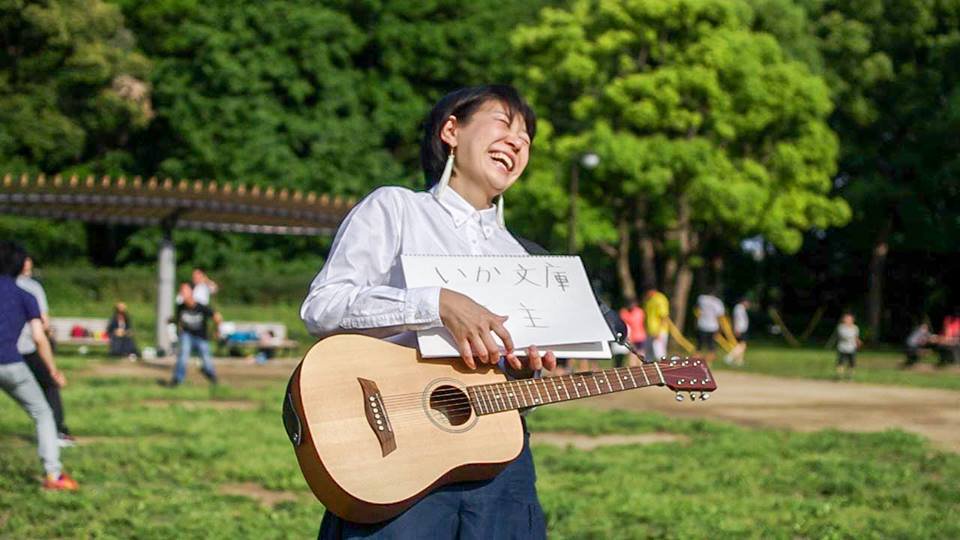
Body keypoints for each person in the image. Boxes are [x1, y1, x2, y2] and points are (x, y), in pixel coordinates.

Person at [301, 85, 553, 538]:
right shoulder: (395, 208)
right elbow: (323, 306)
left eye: (527, 139)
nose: (518, 142)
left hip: (499, 465)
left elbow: (508, 377)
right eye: (504, 124)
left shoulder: (521, 257)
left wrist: (525, 375)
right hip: (397, 457)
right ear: (451, 130)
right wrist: (434, 303)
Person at [0, 241, 78, 490]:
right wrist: (52, 370)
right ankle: (53, 476)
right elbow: (39, 336)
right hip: (11, 364)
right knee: (43, 413)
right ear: (21, 265)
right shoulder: (26, 295)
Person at [16, 254, 75, 446]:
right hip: (26, 348)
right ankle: (57, 431)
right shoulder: (32, 288)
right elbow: (42, 326)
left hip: (6, 348)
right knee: (49, 386)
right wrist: (53, 370)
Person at [169, 283, 222, 386]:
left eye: (185, 291)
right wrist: (178, 330)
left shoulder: (201, 307)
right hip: (187, 335)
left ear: (191, 292)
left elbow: (218, 317)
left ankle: (211, 375)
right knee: (183, 354)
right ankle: (177, 379)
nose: (183, 293)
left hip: (201, 336)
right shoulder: (180, 307)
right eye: (181, 291)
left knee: (206, 358)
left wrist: (217, 331)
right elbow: (179, 321)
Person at [696, 291, 725, 363]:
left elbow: (697, 309)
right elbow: (720, 316)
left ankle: (696, 359)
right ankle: (708, 361)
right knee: (711, 345)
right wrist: (720, 327)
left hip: (702, 324)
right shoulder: (718, 302)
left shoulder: (701, 298)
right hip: (713, 326)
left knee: (699, 344)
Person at [642, 286, 670, 362]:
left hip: (659, 331)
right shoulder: (648, 300)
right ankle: (649, 371)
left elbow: (664, 317)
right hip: (650, 332)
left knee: (659, 354)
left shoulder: (660, 299)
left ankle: (664, 370)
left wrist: (659, 332)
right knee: (648, 355)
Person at [618, 300, 646, 367]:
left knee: (640, 352)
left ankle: (641, 365)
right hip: (630, 337)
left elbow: (633, 321)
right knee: (632, 354)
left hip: (639, 336)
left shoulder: (639, 312)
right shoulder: (624, 312)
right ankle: (633, 367)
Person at [725, 299, 751, 366]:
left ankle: (739, 361)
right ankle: (729, 357)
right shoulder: (739, 308)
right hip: (740, 329)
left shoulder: (741, 308)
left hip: (742, 329)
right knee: (742, 345)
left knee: (741, 346)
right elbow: (737, 319)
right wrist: (736, 329)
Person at [836, 312, 861, 378]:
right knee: (840, 363)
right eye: (846, 319)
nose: (848, 320)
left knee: (852, 363)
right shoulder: (841, 327)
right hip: (842, 348)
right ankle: (840, 376)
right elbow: (844, 336)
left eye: (849, 319)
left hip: (852, 348)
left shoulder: (855, 328)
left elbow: (856, 337)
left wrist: (858, 341)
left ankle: (850, 376)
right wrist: (852, 338)